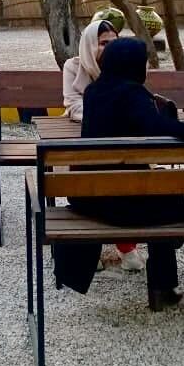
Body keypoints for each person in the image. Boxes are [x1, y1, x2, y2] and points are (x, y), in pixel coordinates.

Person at [55, 38, 184, 310]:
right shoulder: (132, 93)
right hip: (123, 206)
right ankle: (172, 284)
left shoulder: (94, 92)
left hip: (92, 200)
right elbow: (158, 127)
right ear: (132, 64)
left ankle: (166, 285)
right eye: (144, 62)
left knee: (159, 192)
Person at [62, 20, 143, 272]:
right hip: (84, 138)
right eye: (103, 43)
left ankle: (127, 245)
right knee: (93, 176)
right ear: (90, 45)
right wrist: (106, 112)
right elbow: (72, 102)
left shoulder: (124, 66)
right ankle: (91, 245)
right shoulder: (74, 66)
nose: (108, 48)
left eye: (113, 42)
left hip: (119, 141)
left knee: (125, 177)